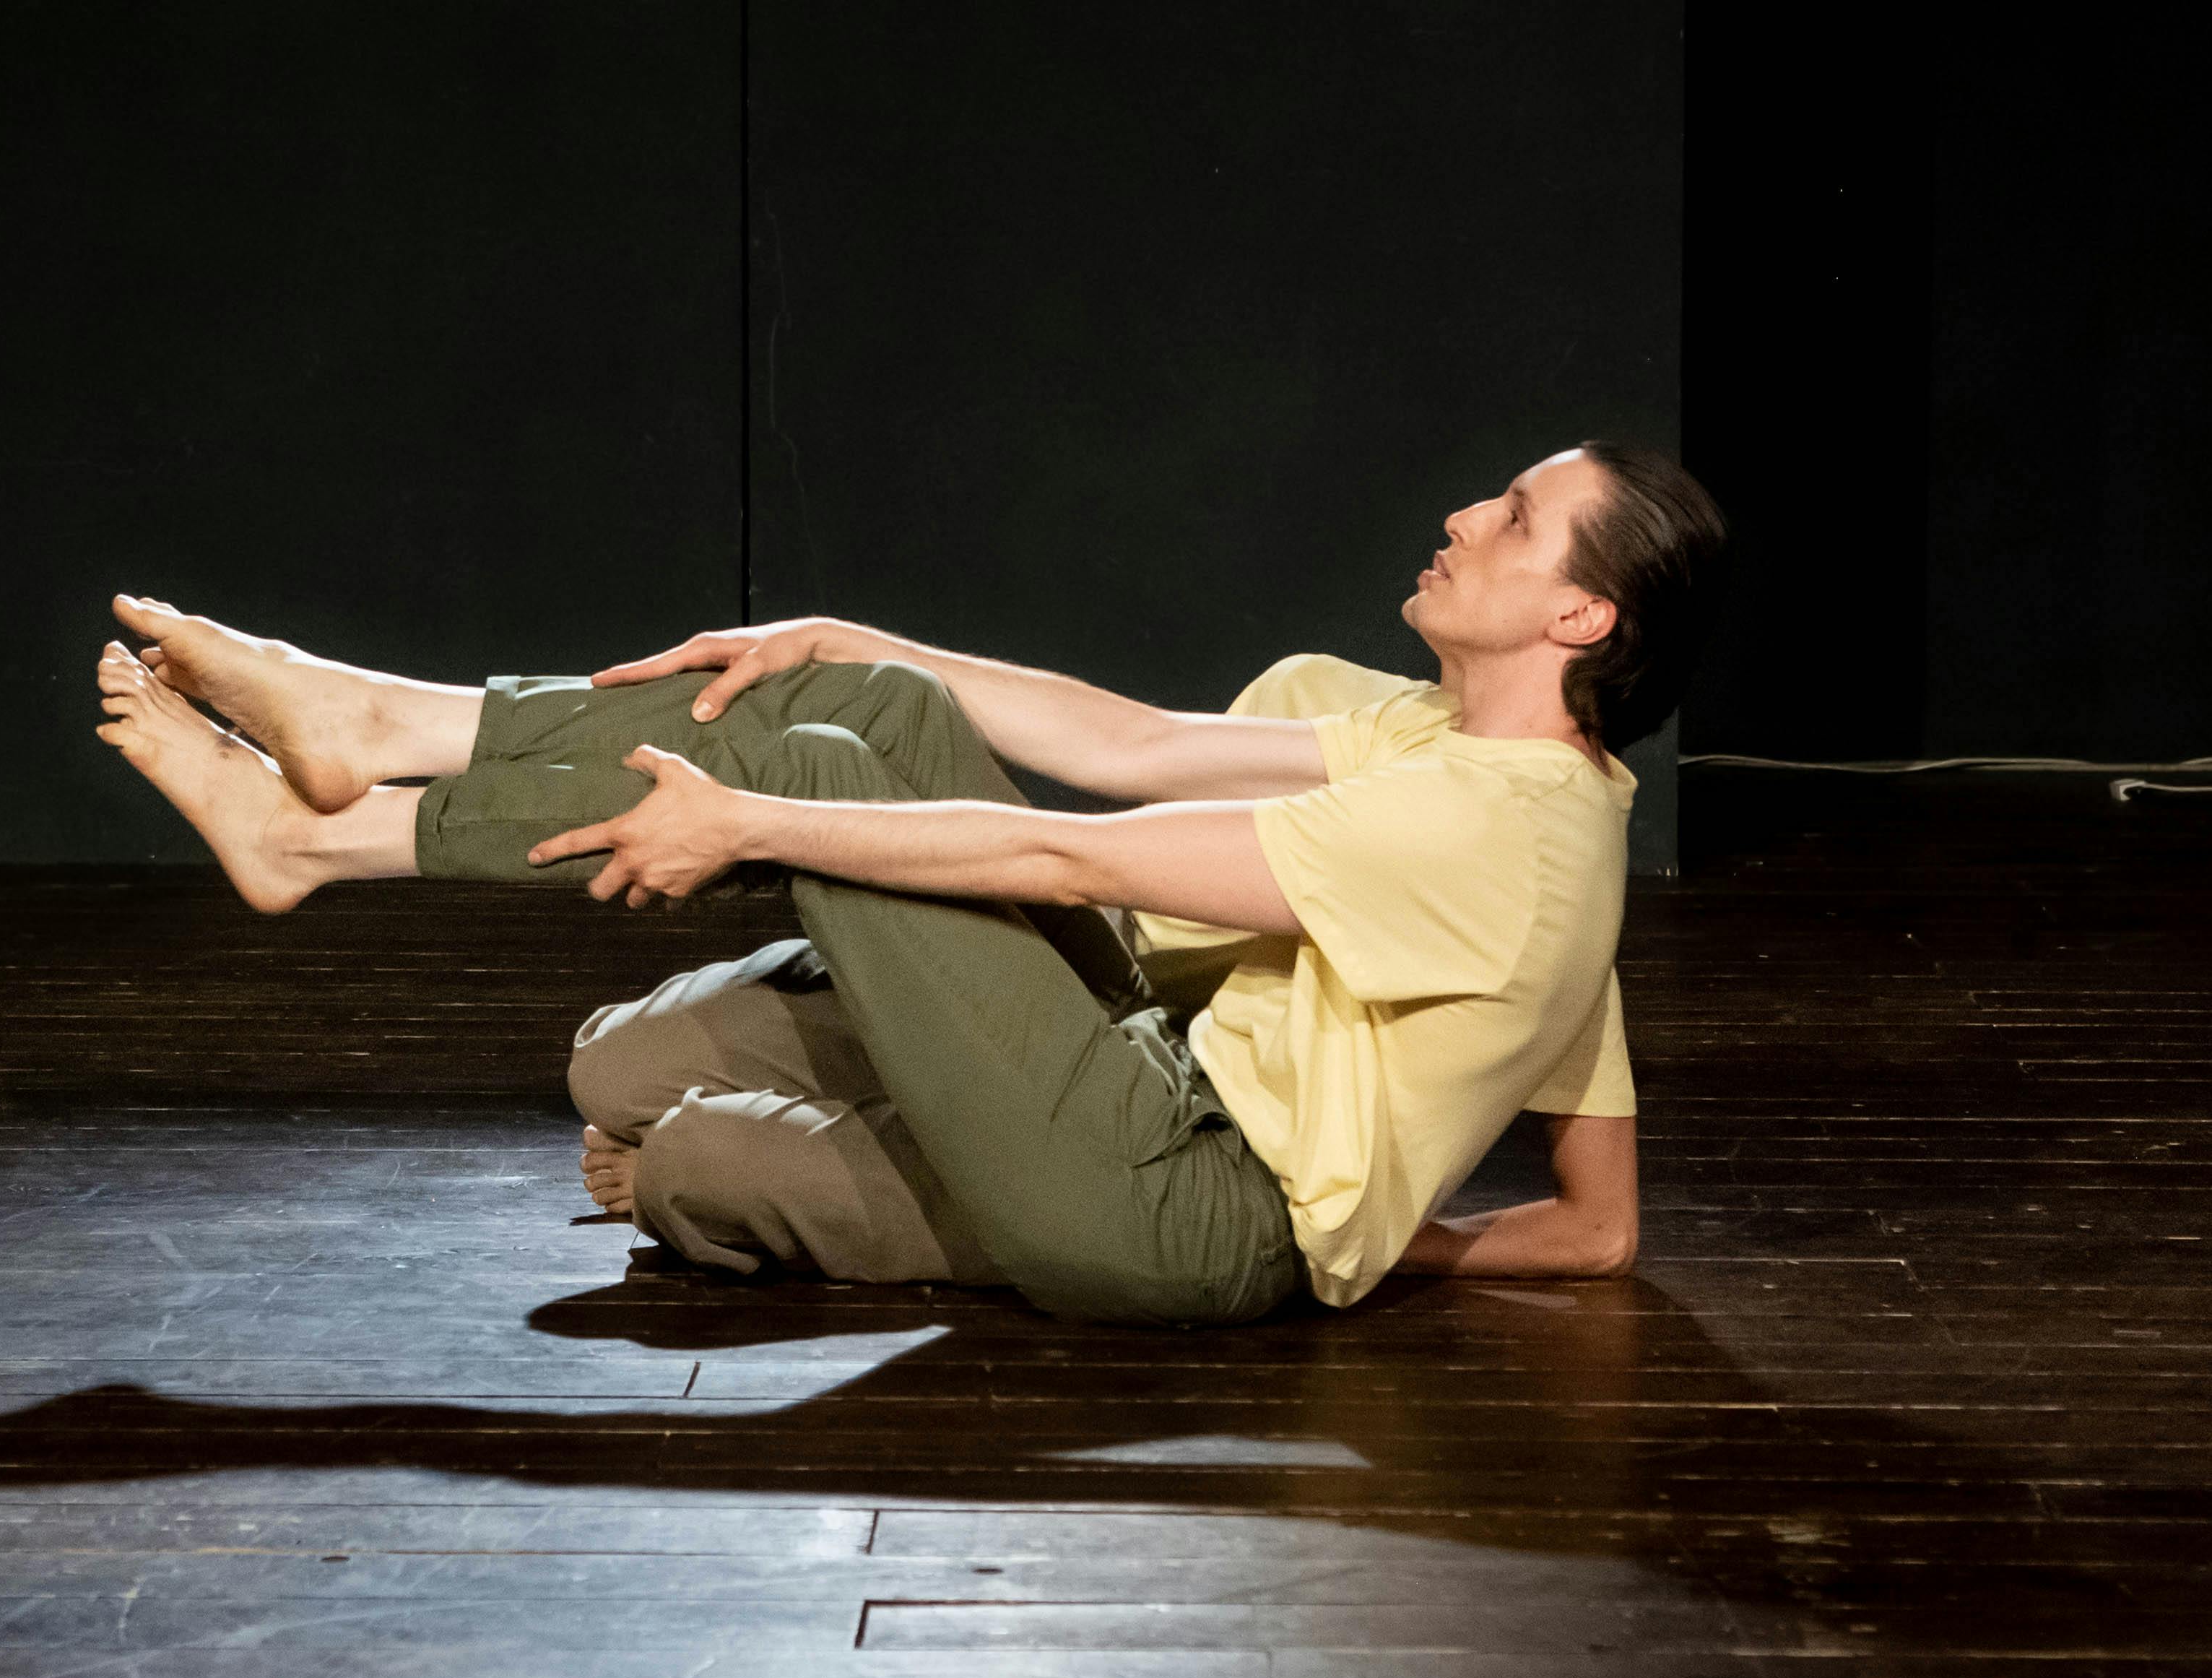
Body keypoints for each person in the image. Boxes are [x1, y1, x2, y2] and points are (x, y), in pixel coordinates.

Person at [95, 441, 1726, 1325]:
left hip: (1180, 1203)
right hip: (1139, 1061)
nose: (1458, 513)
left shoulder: (1499, 843)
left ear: (1577, 621)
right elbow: (1134, 750)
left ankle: (323, 824)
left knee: (698, 1147)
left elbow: (1060, 852)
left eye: (1511, 520)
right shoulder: (1478, 756)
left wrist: (1338, 1248)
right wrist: (849, 637)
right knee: (657, 1006)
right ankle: (365, 749)